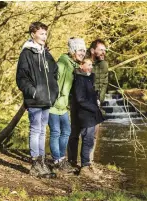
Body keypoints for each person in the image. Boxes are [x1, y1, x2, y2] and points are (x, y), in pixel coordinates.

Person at [16, 22, 58, 178]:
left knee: (42, 131)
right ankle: (35, 164)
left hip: (47, 99)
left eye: (45, 34)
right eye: (41, 34)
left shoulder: (46, 54)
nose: (44, 37)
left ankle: (41, 163)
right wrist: (33, 92)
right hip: (34, 100)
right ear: (33, 34)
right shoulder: (26, 53)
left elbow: (55, 72)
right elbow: (21, 78)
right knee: (35, 130)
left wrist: (54, 91)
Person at [48, 38, 86, 173]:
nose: (83, 53)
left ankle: (61, 158)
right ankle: (57, 160)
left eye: (84, 50)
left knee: (66, 131)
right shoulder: (63, 63)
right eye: (80, 50)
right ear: (73, 51)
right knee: (56, 132)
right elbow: (53, 83)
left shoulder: (73, 65)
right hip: (53, 105)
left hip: (63, 106)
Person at [68, 58, 104, 175]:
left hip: (90, 113)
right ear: (81, 65)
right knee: (87, 138)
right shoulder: (79, 79)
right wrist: (94, 107)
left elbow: (89, 94)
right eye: (88, 64)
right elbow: (80, 99)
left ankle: (87, 164)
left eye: (91, 65)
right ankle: (84, 165)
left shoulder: (88, 77)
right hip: (85, 114)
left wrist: (96, 99)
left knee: (89, 139)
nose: (91, 67)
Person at [87, 39, 108, 105]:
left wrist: (100, 100)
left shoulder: (104, 64)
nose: (104, 52)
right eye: (101, 50)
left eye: (104, 50)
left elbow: (104, 83)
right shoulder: (84, 64)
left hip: (98, 103)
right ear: (92, 51)